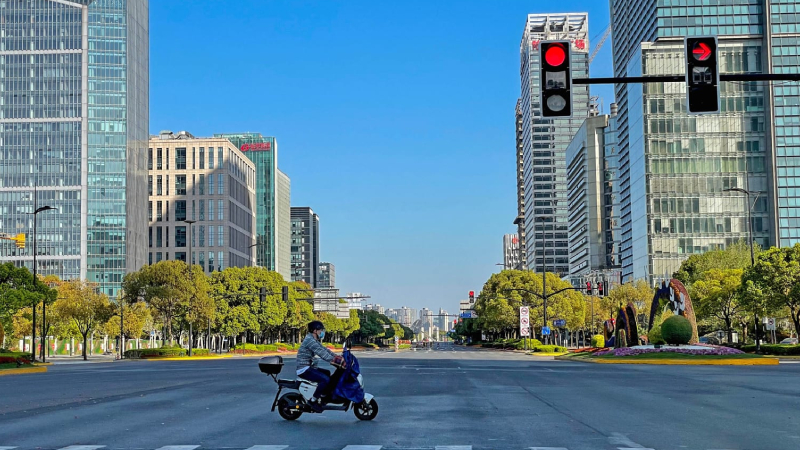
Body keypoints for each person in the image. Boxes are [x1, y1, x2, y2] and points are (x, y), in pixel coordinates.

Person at [296, 320, 343, 411]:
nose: (322, 332)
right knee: (325, 379)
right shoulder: (310, 341)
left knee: (327, 372)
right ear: (315, 331)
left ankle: (324, 395)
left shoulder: (313, 339)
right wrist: (334, 361)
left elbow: (325, 350)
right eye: (320, 330)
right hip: (304, 369)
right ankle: (313, 400)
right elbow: (322, 354)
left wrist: (337, 357)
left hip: (309, 367)